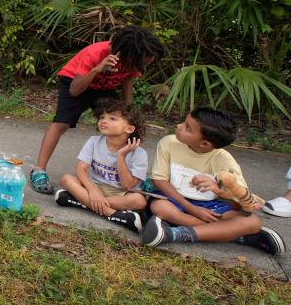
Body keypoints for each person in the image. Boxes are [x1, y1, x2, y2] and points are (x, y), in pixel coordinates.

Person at [29, 26, 165, 195]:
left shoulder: (136, 56)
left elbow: (128, 79)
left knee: (125, 126)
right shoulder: (95, 53)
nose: (142, 67)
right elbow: (74, 91)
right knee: (61, 124)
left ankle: (136, 177)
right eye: (141, 64)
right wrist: (96, 69)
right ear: (128, 54)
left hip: (104, 88)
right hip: (76, 82)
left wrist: (127, 109)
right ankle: (39, 170)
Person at [142, 108, 285, 256]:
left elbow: (242, 202)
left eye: (187, 128)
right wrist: (191, 208)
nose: (178, 126)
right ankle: (236, 235)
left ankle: (174, 233)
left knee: (253, 222)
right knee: (160, 207)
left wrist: (220, 190)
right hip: (173, 199)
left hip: (211, 206)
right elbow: (159, 180)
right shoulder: (169, 143)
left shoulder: (224, 160)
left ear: (204, 144)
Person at [53, 100, 148, 232]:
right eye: (102, 117)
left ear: (130, 129)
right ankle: (113, 214)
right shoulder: (93, 141)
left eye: (112, 118)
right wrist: (93, 191)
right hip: (94, 186)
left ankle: (79, 201)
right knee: (66, 179)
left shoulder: (139, 154)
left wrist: (121, 157)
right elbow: (81, 169)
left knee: (139, 201)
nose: (103, 120)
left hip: (120, 193)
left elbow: (128, 185)